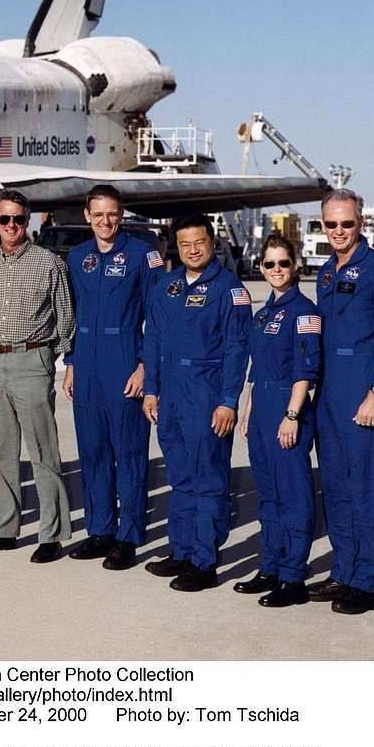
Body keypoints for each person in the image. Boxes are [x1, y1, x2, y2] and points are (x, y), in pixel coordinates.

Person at [310, 188, 374, 614]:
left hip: (362, 386)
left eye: (346, 223)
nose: (337, 231)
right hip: (328, 388)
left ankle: (369, 581)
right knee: (334, 484)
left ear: (361, 224)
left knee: (366, 485)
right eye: (330, 224)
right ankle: (344, 570)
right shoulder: (326, 272)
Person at [142, 213, 251, 591]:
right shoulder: (166, 286)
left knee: (208, 479)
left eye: (199, 242)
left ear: (212, 242)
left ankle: (205, 561)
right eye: (185, 244)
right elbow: (152, 339)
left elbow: (238, 349)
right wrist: (151, 389)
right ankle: (182, 550)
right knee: (180, 477)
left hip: (206, 395)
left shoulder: (229, 289)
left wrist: (227, 401)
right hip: (170, 395)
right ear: (176, 245)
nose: (192, 250)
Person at [0, 189, 75, 563]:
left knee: (43, 450)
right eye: (4, 219)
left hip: (33, 361)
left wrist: (50, 357)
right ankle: (3, 529)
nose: (11, 226)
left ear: (27, 221)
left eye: (18, 219)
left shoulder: (49, 263)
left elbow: (65, 318)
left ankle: (52, 534)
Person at [63, 185, 163, 570]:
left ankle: (129, 534)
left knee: (130, 453)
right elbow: (74, 315)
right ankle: (100, 529)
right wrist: (71, 363)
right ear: (87, 215)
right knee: (92, 451)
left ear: (121, 215)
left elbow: (157, 319)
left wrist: (144, 367)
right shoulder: (77, 257)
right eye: (98, 214)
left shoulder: (142, 256)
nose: (106, 221)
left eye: (112, 214)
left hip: (125, 359)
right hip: (86, 363)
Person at [236, 235, 321, 607]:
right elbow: (256, 369)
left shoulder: (305, 312)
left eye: (283, 263)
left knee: (294, 494)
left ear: (295, 266)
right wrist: (248, 409)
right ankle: (270, 566)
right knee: (268, 494)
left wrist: (292, 415)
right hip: (262, 408)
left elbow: (306, 370)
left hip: (289, 407)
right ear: (261, 268)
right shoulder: (263, 313)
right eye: (269, 264)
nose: (276, 271)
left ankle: (293, 576)